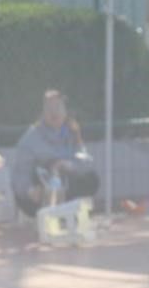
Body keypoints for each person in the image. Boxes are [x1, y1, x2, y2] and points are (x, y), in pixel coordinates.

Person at [11, 89, 99, 217]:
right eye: (49, 108)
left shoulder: (72, 132)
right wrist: (30, 190)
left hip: (66, 187)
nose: (54, 112)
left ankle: (69, 212)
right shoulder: (30, 139)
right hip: (39, 194)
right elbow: (20, 175)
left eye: (58, 107)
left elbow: (85, 161)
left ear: (65, 111)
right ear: (42, 113)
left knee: (91, 178)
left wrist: (68, 165)